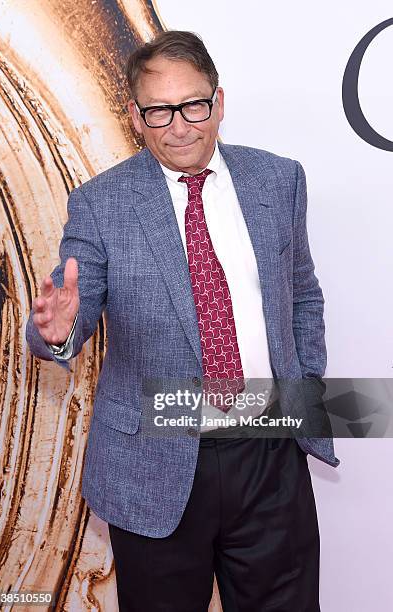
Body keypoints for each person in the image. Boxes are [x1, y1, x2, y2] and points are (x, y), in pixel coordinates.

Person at [26, 30, 339, 612]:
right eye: (159, 110)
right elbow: (75, 303)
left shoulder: (278, 180)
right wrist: (57, 330)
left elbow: (302, 297)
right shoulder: (102, 203)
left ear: (218, 102)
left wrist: (304, 392)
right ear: (135, 116)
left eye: (194, 105)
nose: (179, 125)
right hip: (154, 461)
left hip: (267, 454)